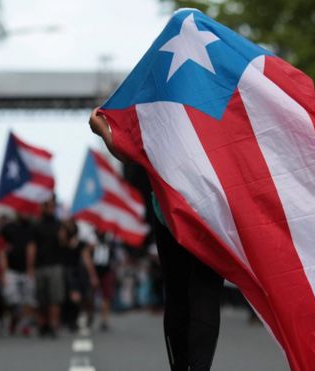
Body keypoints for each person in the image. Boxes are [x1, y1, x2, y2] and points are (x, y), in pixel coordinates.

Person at [89, 108, 224, 371]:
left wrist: (103, 131)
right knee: (204, 292)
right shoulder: (224, 82)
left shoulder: (156, 86)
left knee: (177, 293)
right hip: (211, 209)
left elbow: (131, 150)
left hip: (170, 208)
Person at [1, 211, 36, 336]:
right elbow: (1, 248)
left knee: (28, 299)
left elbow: (32, 248)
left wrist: (30, 268)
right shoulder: (7, 228)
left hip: (26, 270)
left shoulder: (32, 228)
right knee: (11, 298)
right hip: (11, 269)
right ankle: (15, 317)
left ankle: (25, 324)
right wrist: (3, 270)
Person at [34, 197, 65, 338]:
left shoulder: (59, 225)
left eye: (52, 206)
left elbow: (65, 245)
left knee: (55, 298)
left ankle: (53, 324)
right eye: (48, 206)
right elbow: (32, 247)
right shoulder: (37, 225)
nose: (50, 209)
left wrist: (63, 236)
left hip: (55, 266)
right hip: (40, 266)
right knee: (42, 299)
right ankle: (43, 324)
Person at [89, 231, 116, 331]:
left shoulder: (110, 237)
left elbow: (113, 253)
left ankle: (104, 319)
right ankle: (90, 315)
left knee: (107, 295)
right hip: (95, 269)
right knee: (90, 294)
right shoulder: (92, 236)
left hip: (106, 269)